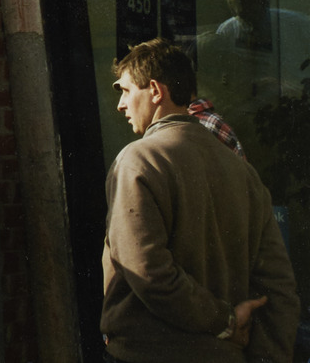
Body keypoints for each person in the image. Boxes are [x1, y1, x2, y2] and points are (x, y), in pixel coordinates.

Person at [102, 38, 298, 363]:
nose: (120, 105)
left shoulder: (138, 161)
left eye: (125, 90)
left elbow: (146, 271)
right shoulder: (243, 172)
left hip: (148, 354)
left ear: (155, 90)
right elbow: (278, 286)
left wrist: (224, 321)